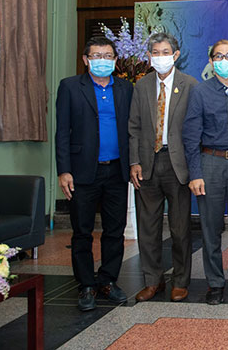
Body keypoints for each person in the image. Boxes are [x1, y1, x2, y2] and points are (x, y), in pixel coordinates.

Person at [55, 36, 133, 311]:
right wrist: (63, 170)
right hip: (82, 172)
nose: (103, 60)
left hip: (116, 170)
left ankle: (108, 280)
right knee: (82, 231)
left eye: (108, 56)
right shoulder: (70, 87)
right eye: (97, 55)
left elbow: (132, 130)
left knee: (115, 230)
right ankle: (86, 284)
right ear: (86, 59)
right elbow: (62, 131)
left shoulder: (125, 88)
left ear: (115, 60)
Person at [182, 40, 228, 305]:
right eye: (218, 56)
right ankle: (214, 282)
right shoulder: (200, 92)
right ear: (211, 62)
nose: (224, 60)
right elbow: (190, 136)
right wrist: (195, 173)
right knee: (210, 228)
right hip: (209, 163)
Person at [128, 32, 198, 303]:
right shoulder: (141, 86)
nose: (160, 56)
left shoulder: (190, 84)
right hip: (147, 164)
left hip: (177, 164)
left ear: (176, 54)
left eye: (165, 51)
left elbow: (194, 130)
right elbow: (133, 127)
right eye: (155, 52)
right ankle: (152, 280)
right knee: (148, 227)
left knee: (180, 228)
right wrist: (134, 161)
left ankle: (180, 281)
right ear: (149, 56)